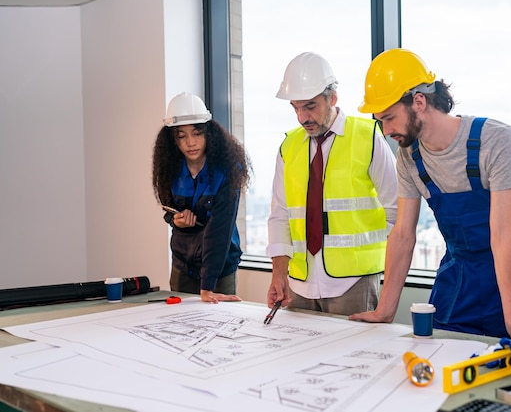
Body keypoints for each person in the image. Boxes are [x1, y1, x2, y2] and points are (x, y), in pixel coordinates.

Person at [349, 48, 511, 340]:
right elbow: (404, 234)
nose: (386, 130)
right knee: (440, 360)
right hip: (461, 278)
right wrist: (385, 310)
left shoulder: (496, 140)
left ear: (418, 101)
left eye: (390, 118)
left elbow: (502, 236)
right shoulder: (410, 157)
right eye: (380, 121)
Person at [266, 52, 398, 316]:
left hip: (354, 283)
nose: (302, 117)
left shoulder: (368, 138)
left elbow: (397, 212)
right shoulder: (289, 147)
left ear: (333, 99)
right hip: (300, 285)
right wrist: (278, 273)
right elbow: (280, 215)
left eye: (310, 106)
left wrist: (377, 268)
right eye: (296, 107)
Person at [152, 92, 252, 303]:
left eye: (197, 133)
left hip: (219, 267)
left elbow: (220, 230)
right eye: (182, 136)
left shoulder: (228, 170)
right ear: (173, 140)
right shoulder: (169, 168)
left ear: (209, 133)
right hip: (183, 265)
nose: (190, 142)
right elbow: (168, 209)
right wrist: (175, 220)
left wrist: (207, 286)